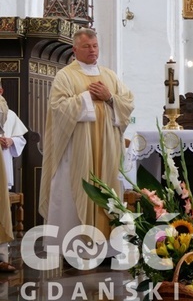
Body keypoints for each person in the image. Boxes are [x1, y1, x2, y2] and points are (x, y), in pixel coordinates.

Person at [39, 28, 135, 255]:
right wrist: (87, 97)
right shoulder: (65, 75)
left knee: (108, 188)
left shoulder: (109, 76)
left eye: (95, 46)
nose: (92, 50)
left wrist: (109, 97)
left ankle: (108, 249)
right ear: (75, 50)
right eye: (86, 46)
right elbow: (58, 108)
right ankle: (73, 247)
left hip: (107, 147)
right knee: (75, 190)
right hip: (78, 149)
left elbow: (127, 103)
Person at [0, 81, 27, 273]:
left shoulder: (9, 114)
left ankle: (1, 257)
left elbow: (21, 139)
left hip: (3, 169)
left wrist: (11, 140)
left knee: (2, 214)